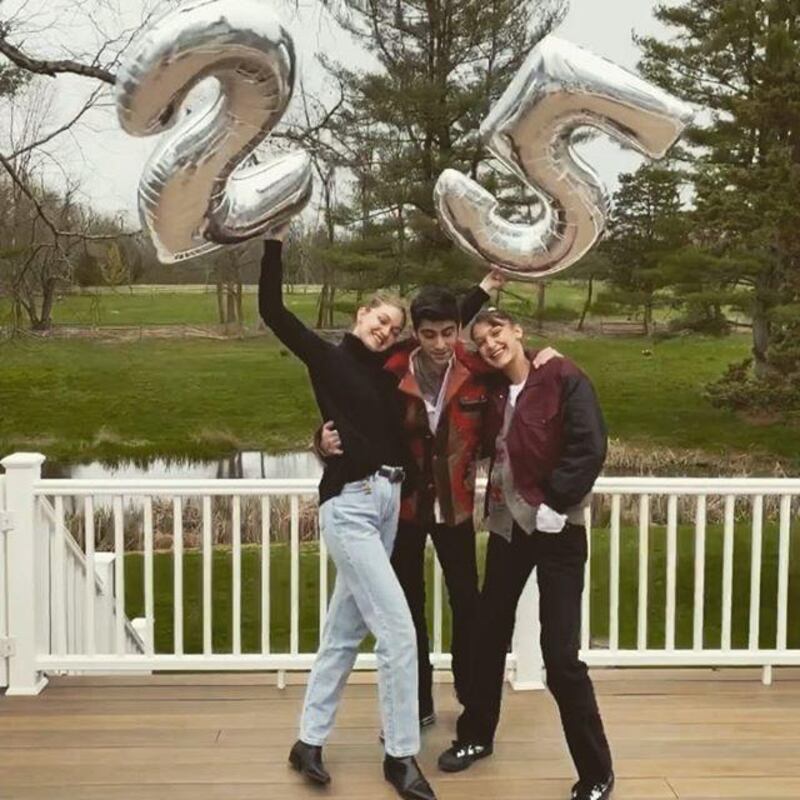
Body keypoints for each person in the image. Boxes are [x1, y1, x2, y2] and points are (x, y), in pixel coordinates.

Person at [318, 284, 560, 732]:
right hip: (403, 507)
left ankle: (471, 698)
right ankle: (417, 703)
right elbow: (347, 399)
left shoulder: (474, 365)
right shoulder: (391, 368)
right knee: (408, 609)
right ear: (417, 333)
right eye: (429, 334)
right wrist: (322, 439)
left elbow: (516, 363)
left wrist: (548, 359)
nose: (440, 344)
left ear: (459, 331)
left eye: (450, 332)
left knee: (467, 603)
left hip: (456, 507)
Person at [258, 227, 436, 800]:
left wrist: (486, 286)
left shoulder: (390, 373)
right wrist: (275, 245)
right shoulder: (328, 359)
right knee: (399, 632)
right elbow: (271, 310)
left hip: (386, 505)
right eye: (377, 320)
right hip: (351, 505)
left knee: (342, 634)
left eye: (391, 327)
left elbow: (445, 334)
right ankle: (401, 755)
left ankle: (307, 741)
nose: (383, 331)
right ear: (360, 315)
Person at [437, 308, 615, 800]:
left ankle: (597, 772)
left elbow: (590, 444)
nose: (490, 343)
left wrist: (559, 502)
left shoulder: (564, 376)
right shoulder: (493, 386)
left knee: (560, 656)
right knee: (486, 632)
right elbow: (447, 346)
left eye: (498, 332)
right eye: (483, 338)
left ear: (518, 330)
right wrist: (481, 299)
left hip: (557, 529)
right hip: (508, 527)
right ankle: (476, 737)